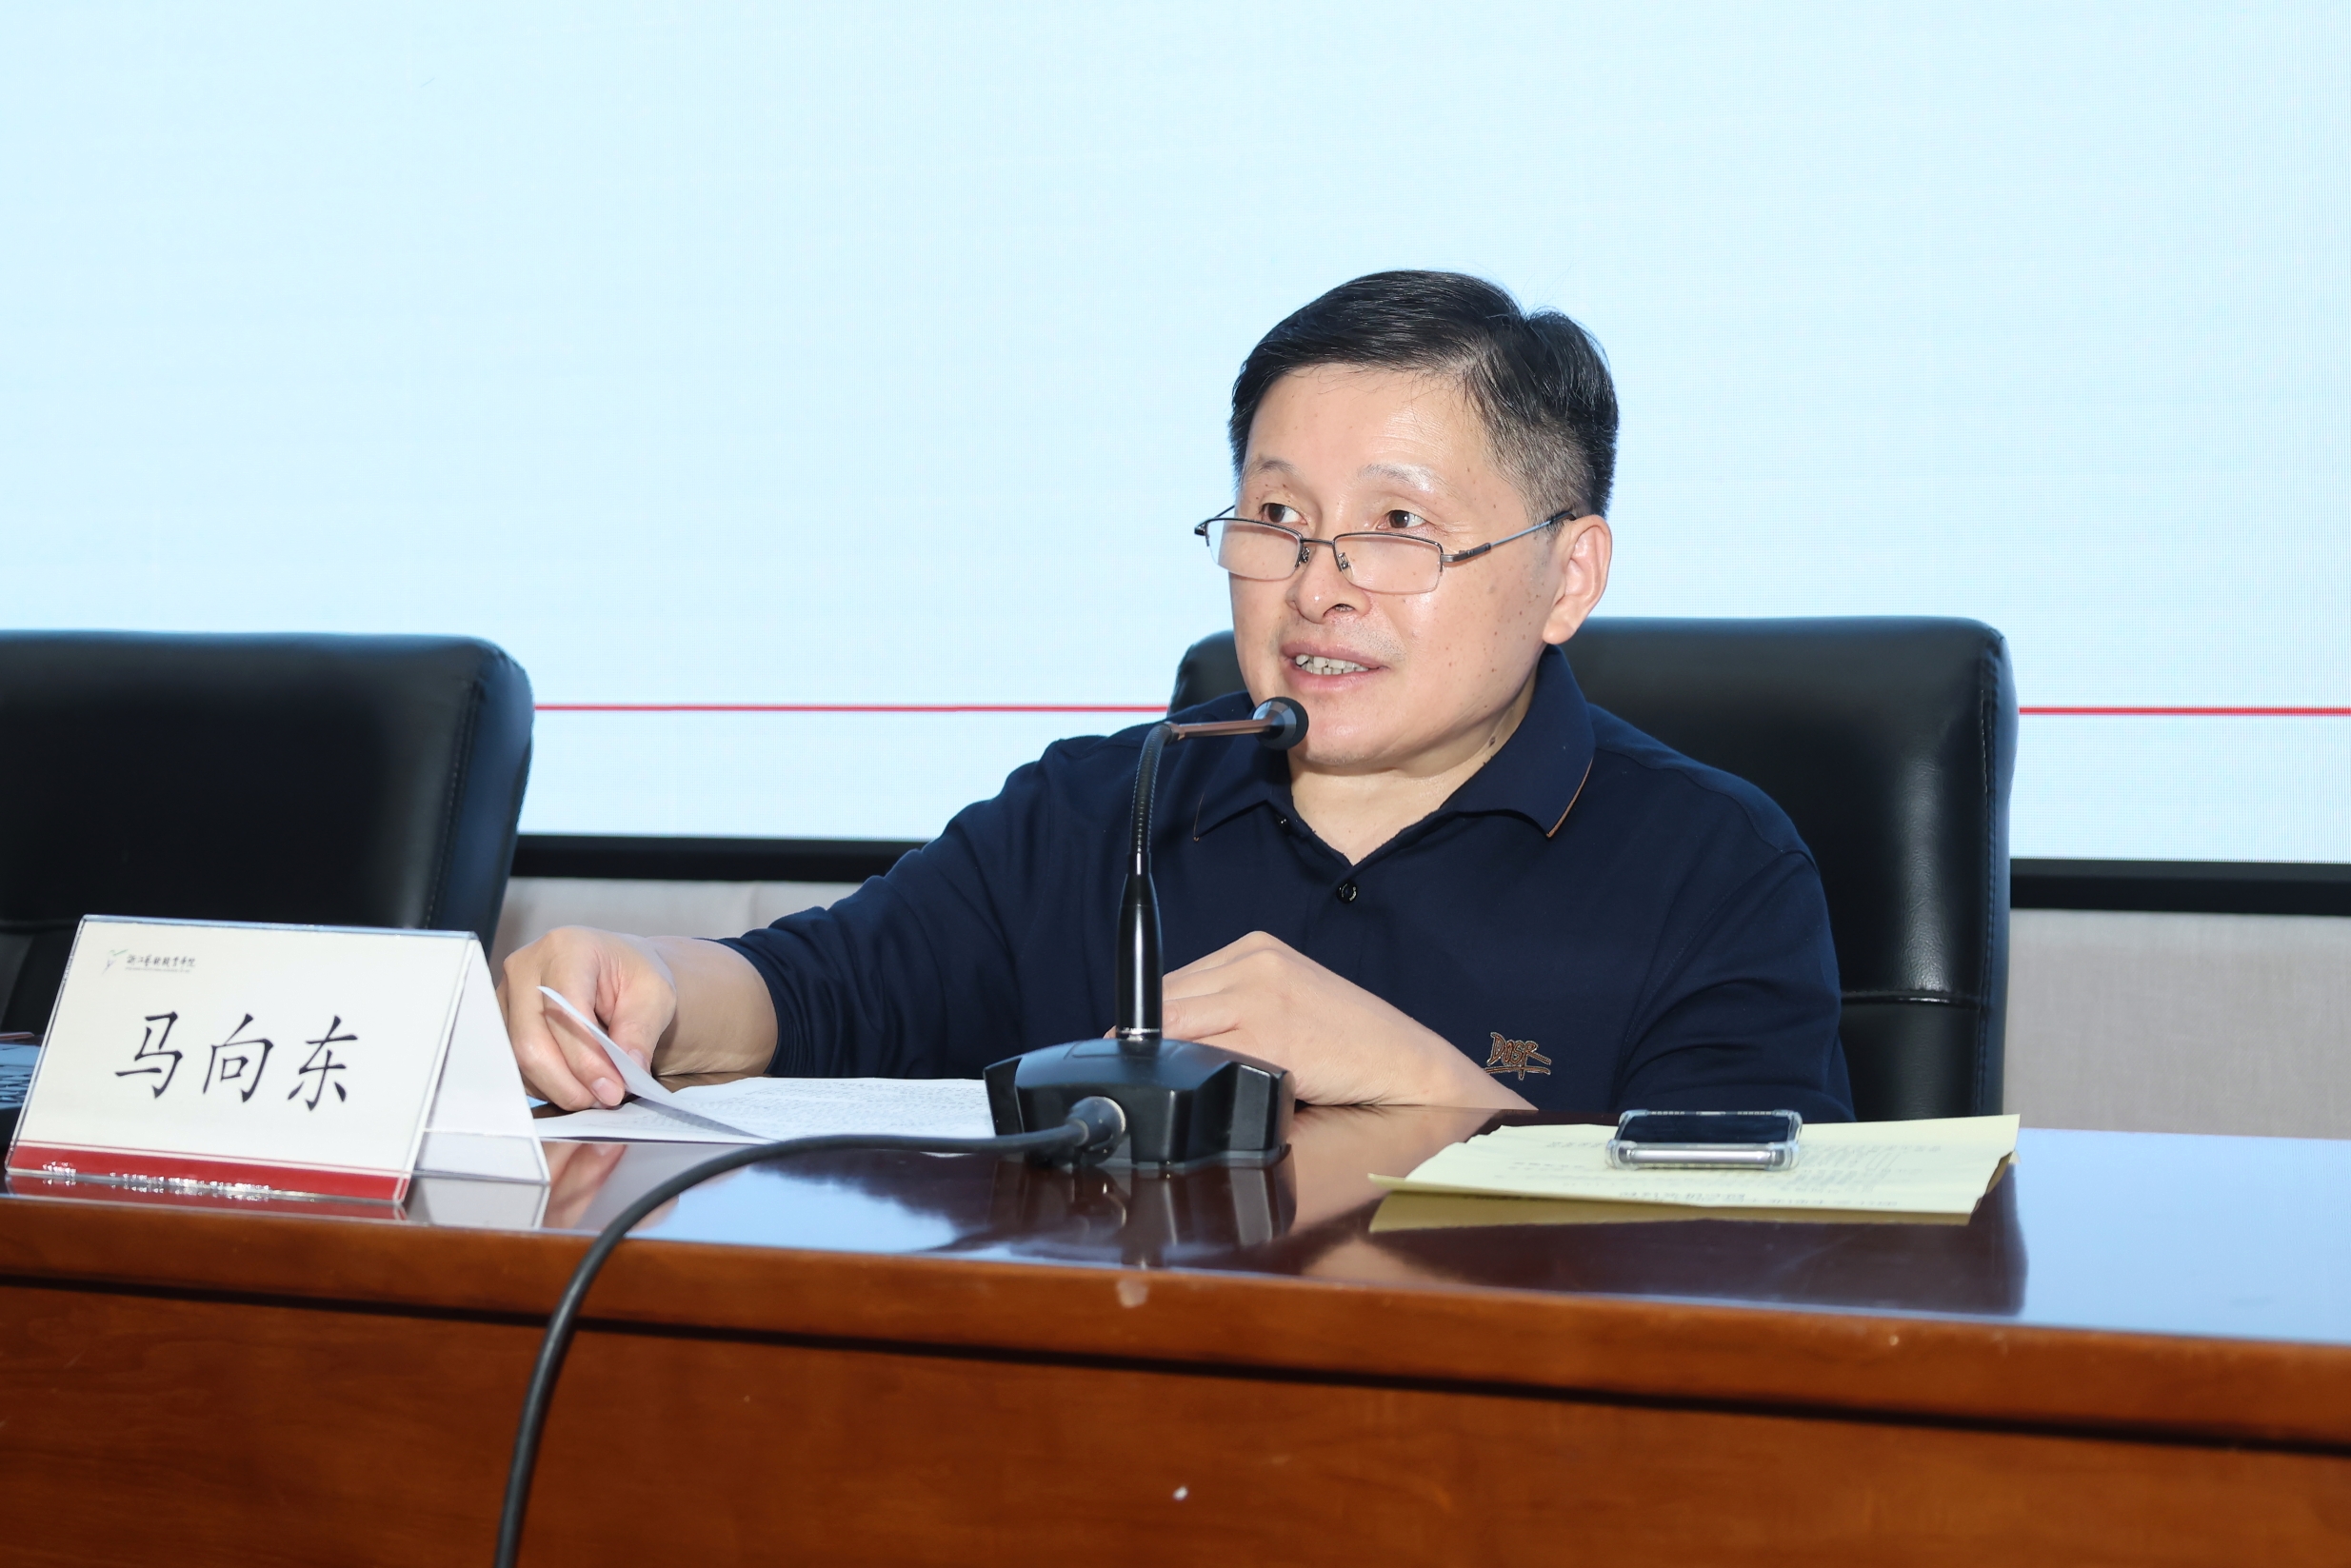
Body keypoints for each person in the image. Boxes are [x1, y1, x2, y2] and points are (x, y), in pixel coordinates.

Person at [502, 270, 1854, 1121]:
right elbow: (821, 994)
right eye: (1277, 517)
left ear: (1569, 575)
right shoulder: (1107, 806)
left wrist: (1433, 1092)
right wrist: (654, 986)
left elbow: (1759, 1257)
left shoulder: (1712, 865)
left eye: (1396, 526)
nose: (1317, 585)